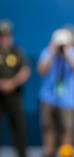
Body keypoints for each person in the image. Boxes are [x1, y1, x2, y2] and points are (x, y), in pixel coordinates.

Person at [37, 28, 74, 157]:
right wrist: (52, 51)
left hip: (68, 100)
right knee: (48, 129)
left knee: (67, 130)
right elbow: (41, 70)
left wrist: (67, 53)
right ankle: (49, 153)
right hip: (48, 98)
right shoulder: (48, 52)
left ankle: (66, 155)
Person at [0, 21, 29, 157]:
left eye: (6, 36)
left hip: (14, 96)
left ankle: (22, 154)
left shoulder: (17, 51)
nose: (4, 39)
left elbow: (25, 70)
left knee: (18, 127)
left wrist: (12, 83)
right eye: (1, 36)